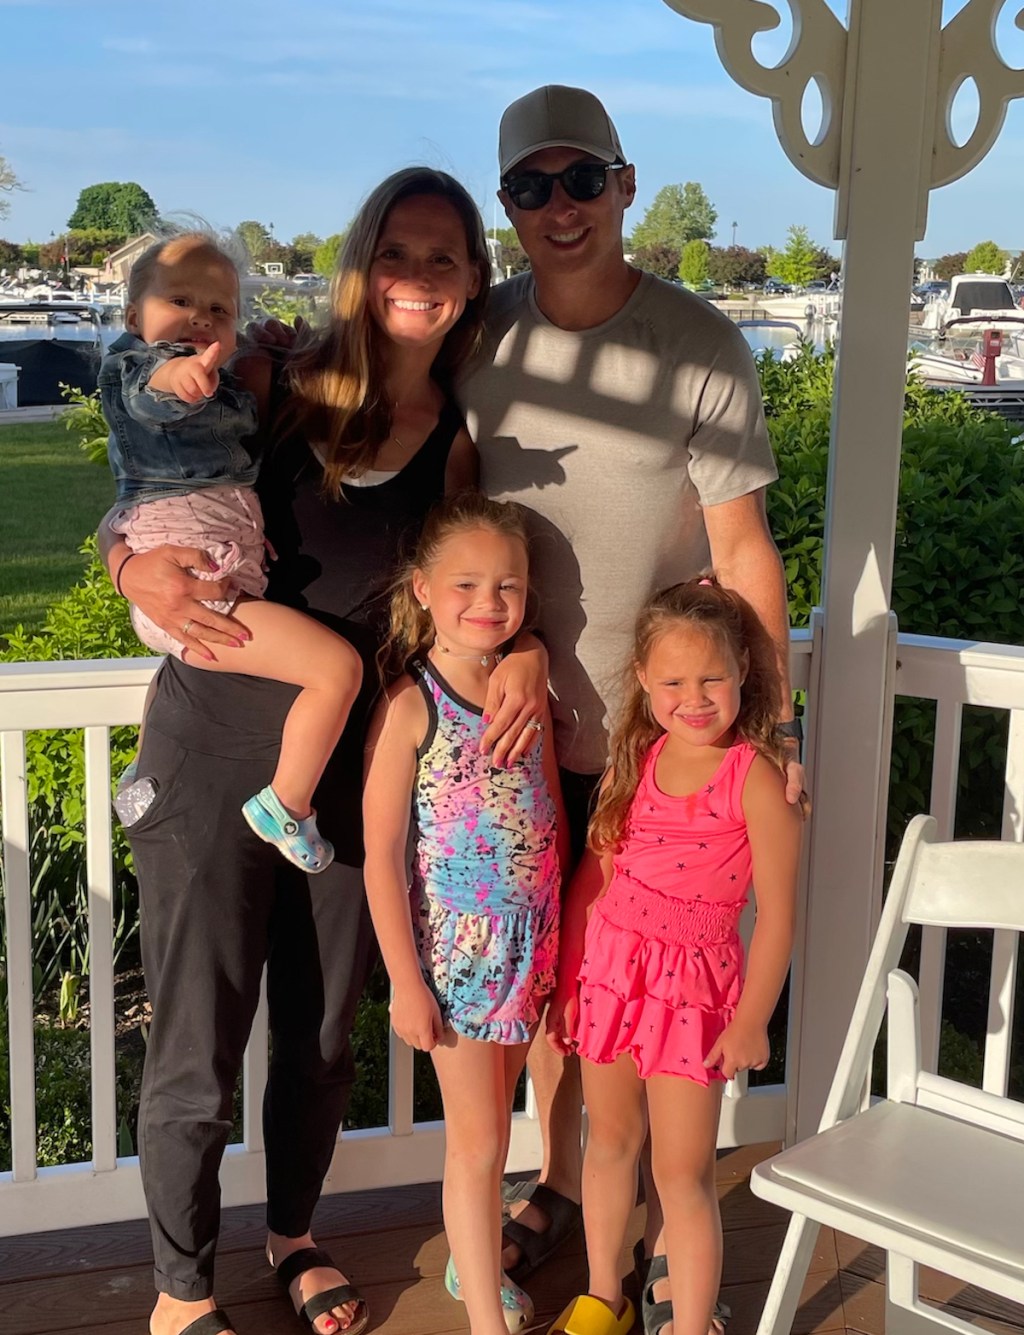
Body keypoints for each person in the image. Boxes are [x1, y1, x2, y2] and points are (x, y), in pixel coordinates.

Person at [98, 168, 548, 1335]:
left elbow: (477, 582)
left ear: (469, 283)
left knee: (315, 1037)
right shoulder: (280, 382)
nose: (417, 276)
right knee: (197, 1044)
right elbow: (155, 472)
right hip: (209, 756)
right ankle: (179, 1293)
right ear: (362, 266)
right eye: (395, 252)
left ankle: (292, 1237)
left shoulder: (455, 439)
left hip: (349, 784)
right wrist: (124, 563)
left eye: (444, 256)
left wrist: (529, 655)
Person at [457, 83, 806, 1300]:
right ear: (507, 204)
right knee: (566, 989)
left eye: (580, 179)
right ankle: (565, 1195)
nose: (559, 208)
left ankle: (664, 1243)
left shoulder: (698, 343)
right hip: (517, 731)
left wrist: (771, 723)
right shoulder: (481, 338)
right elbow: (450, 513)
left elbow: (744, 544)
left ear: (624, 184)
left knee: (654, 983)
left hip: (665, 742)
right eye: (530, 186)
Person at [546, 577, 803, 1335]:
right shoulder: (638, 759)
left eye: (712, 678)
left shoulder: (754, 777)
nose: (695, 697)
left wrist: (754, 1016)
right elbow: (597, 875)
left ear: (744, 673)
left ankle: (691, 1323)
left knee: (682, 1173)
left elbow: (781, 915)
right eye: (674, 682)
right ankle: (606, 1296)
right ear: (644, 683)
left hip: (692, 992)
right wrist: (572, 979)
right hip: (613, 977)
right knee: (610, 1144)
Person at [363, 492, 567, 1335]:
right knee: (478, 1144)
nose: (489, 604)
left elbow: (548, 800)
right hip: (459, 955)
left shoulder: (528, 685)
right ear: (422, 590)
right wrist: (406, 983)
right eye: (467, 585)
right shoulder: (411, 704)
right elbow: (380, 857)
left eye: (509, 587)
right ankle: (486, 1317)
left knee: (503, 1117)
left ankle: (470, 1258)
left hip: (534, 937)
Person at [101, 229, 362, 872]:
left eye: (218, 309)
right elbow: (149, 392)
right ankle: (285, 805)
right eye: (179, 300)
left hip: (219, 560)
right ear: (134, 317)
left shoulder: (226, 377)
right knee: (336, 670)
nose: (199, 319)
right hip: (186, 577)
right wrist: (180, 374)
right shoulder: (140, 366)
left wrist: (277, 349)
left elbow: (253, 402)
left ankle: (149, 755)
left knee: (198, 672)